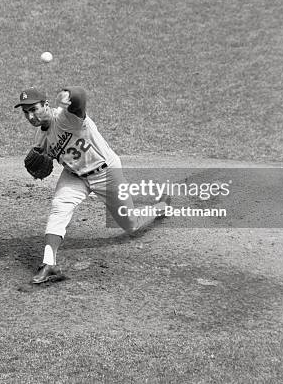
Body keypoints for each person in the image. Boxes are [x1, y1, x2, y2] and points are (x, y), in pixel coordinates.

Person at [15, 86, 169, 284]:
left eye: (34, 109)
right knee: (59, 208)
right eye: (26, 112)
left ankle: (160, 207)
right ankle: (48, 263)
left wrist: (69, 95)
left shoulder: (66, 117)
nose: (30, 116)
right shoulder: (41, 138)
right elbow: (43, 161)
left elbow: (80, 99)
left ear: (46, 104)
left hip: (106, 173)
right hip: (75, 176)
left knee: (130, 224)